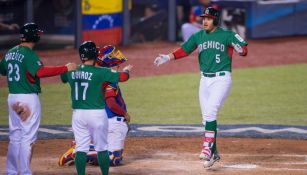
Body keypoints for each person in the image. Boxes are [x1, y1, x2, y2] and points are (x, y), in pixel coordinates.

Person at [154, 7, 248, 168]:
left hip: (221, 79)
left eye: (209, 18)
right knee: (206, 119)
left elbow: (243, 49)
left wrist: (241, 50)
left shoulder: (227, 35)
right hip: (204, 80)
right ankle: (214, 153)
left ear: (216, 20)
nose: (205, 21)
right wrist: (168, 57)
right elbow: (185, 49)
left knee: (211, 111)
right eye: (204, 18)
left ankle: (206, 149)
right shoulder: (198, 35)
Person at [0, 22, 77, 175]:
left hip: (12, 98)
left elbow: (2, 70)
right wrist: (65, 68)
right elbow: (40, 72)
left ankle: (11, 171)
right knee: (28, 137)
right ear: (33, 37)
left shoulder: (10, 52)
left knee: (15, 136)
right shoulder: (29, 54)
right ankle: (25, 172)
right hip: (27, 100)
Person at [61, 41, 132, 175]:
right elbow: (123, 77)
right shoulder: (100, 73)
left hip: (78, 114)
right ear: (95, 55)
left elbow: (63, 77)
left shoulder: (73, 72)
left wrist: (68, 68)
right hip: (97, 114)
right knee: (102, 149)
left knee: (81, 149)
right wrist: (127, 71)